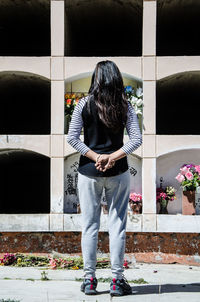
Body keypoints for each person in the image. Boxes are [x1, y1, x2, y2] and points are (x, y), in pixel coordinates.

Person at [66, 60, 142, 296]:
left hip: (88, 172)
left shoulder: (82, 105)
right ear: (116, 79)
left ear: (96, 79)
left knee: (89, 225)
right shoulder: (126, 106)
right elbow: (135, 140)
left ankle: (89, 280)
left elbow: (72, 139)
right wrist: (112, 157)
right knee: (117, 226)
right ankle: (117, 281)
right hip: (118, 172)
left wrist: (96, 156)